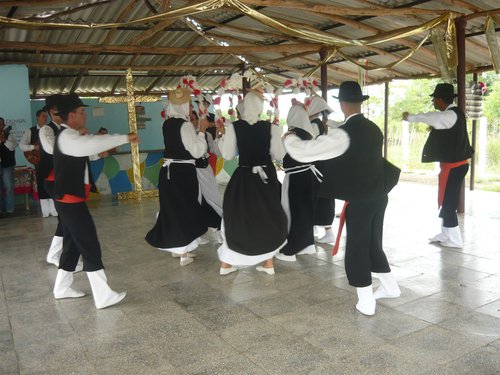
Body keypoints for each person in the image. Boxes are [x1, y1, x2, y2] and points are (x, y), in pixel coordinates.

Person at [284, 81, 401, 316]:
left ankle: (366, 302)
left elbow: (306, 152)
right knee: (372, 243)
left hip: (361, 199)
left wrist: (289, 138)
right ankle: (390, 287)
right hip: (379, 195)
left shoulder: (344, 135)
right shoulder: (372, 127)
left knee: (357, 247)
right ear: (359, 102)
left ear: (342, 103)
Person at [52, 93, 139, 309]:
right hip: (70, 201)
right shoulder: (68, 138)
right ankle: (103, 295)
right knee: (89, 244)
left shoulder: (71, 135)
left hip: (70, 200)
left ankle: (61, 287)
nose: (85, 116)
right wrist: (124, 138)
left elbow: (90, 148)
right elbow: (91, 145)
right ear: (71, 116)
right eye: (81, 112)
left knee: (72, 246)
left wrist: (96, 140)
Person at [217, 90, 288, 276]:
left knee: (236, 218)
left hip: (243, 177)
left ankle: (226, 264)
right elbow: (279, 155)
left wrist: (221, 138)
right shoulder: (271, 128)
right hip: (266, 177)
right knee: (268, 217)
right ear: (260, 107)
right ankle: (268, 262)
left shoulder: (234, 127)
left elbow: (228, 155)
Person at [403, 83, 473, 248]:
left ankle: (455, 240)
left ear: (441, 100)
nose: (434, 101)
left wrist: (410, 117)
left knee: (448, 202)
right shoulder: (452, 114)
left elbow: (428, 116)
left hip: (455, 166)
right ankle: (445, 233)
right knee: (445, 199)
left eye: (435, 98)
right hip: (453, 165)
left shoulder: (449, 115)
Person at [145, 88, 210, 266]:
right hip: (183, 173)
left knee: (174, 210)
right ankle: (183, 252)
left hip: (169, 171)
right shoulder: (185, 125)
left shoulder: (166, 124)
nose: (190, 109)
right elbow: (197, 151)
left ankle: (181, 250)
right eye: (188, 105)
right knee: (185, 210)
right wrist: (202, 132)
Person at [275, 103, 320, 262]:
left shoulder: (290, 135)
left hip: (296, 178)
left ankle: (290, 251)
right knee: (306, 212)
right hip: (309, 176)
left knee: (293, 213)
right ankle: (307, 245)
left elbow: (278, 155)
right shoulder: (309, 134)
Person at [305, 95, 336, 244]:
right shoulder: (318, 123)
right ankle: (320, 228)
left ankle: (328, 231)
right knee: (321, 197)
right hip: (322, 165)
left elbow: (308, 143)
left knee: (320, 197)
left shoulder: (314, 124)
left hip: (318, 165)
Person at [190, 110, 223, 243]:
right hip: (191, 172)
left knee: (212, 199)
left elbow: (215, 151)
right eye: (191, 119)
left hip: (204, 171)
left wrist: (219, 136)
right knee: (195, 201)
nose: (193, 122)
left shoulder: (206, 135)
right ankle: (196, 234)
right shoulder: (185, 136)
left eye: (194, 119)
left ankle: (218, 230)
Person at [20, 108, 58, 217]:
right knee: (42, 185)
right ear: (37, 117)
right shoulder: (31, 131)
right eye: (43, 116)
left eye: (47, 116)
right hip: (40, 163)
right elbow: (22, 145)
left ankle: (54, 209)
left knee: (52, 183)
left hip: (52, 162)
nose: (45, 118)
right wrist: (34, 147)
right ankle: (45, 211)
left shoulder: (51, 129)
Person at [0, 117, 17, 215]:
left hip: (7, 165)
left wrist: (4, 140)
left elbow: (12, 147)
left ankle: (10, 209)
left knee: (9, 187)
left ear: (4, 125)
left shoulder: (8, 135)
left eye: (1, 124)